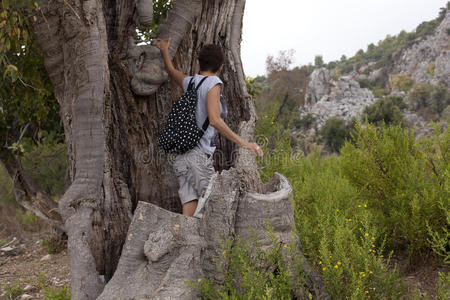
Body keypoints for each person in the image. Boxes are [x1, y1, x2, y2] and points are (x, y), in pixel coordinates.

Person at [153, 38, 264, 217]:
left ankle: (185, 243)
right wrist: (244, 143)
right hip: (198, 157)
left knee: (190, 209)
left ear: (198, 63)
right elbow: (214, 120)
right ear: (220, 67)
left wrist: (164, 50)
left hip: (181, 158)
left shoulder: (191, 82)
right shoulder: (213, 83)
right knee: (214, 209)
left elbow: (173, 72)